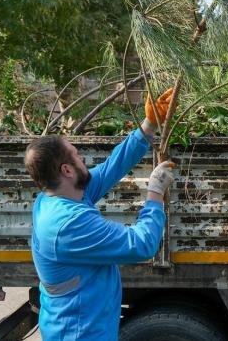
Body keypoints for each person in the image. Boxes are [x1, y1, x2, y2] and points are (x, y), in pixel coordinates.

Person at [25, 88, 176, 340]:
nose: (81, 157)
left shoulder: (56, 196)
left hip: (80, 324)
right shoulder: (68, 224)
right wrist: (155, 194)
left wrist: (148, 124)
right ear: (67, 170)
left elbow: (110, 169)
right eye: (76, 155)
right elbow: (141, 245)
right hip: (79, 333)